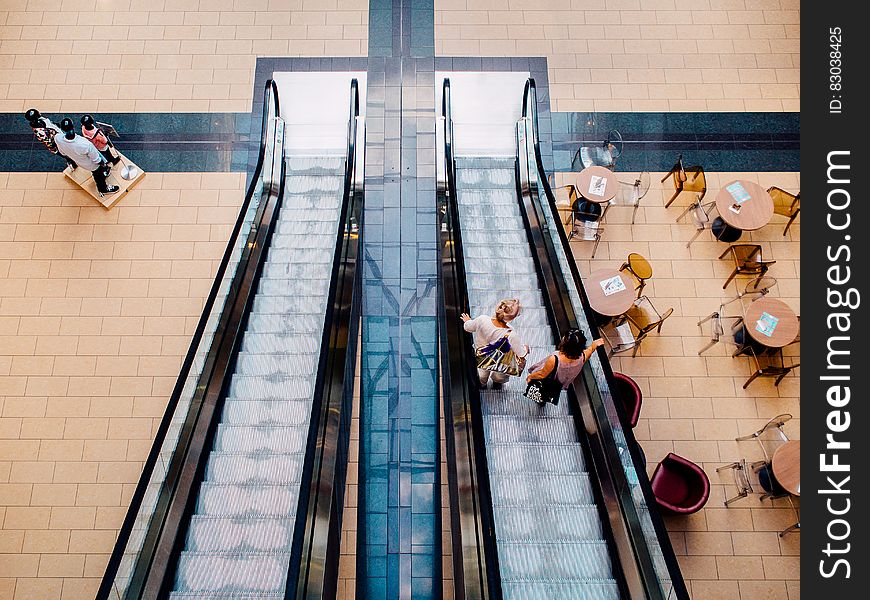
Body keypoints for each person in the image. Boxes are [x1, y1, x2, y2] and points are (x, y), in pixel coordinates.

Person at [461, 298, 530, 389]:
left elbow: (468, 328)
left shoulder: (482, 320)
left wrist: (467, 321)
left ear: (498, 307)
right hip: (501, 361)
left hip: (481, 357)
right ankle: (497, 382)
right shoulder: (511, 333)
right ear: (513, 317)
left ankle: (482, 385)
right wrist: (526, 348)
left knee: (481, 375)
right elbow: (521, 353)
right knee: (500, 375)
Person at [525, 329, 605, 403]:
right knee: (547, 393)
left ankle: (540, 399)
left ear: (566, 345)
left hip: (547, 380)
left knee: (541, 391)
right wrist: (595, 344)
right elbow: (591, 349)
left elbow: (542, 374)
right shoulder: (583, 357)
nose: (563, 338)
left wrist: (530, 377)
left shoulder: (554, 359)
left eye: (565, 338)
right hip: (559, 383)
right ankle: (543, 400)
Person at [54, 118, 119, 194]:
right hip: (92, 164)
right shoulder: (85, 144)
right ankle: (103, 189)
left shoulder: (57, 138)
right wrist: (104, 164)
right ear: (73, 127)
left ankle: (103, 174)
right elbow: (96, 159)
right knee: (98, 176)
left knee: (97, 172)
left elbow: (63, 152)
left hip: (80, 162)